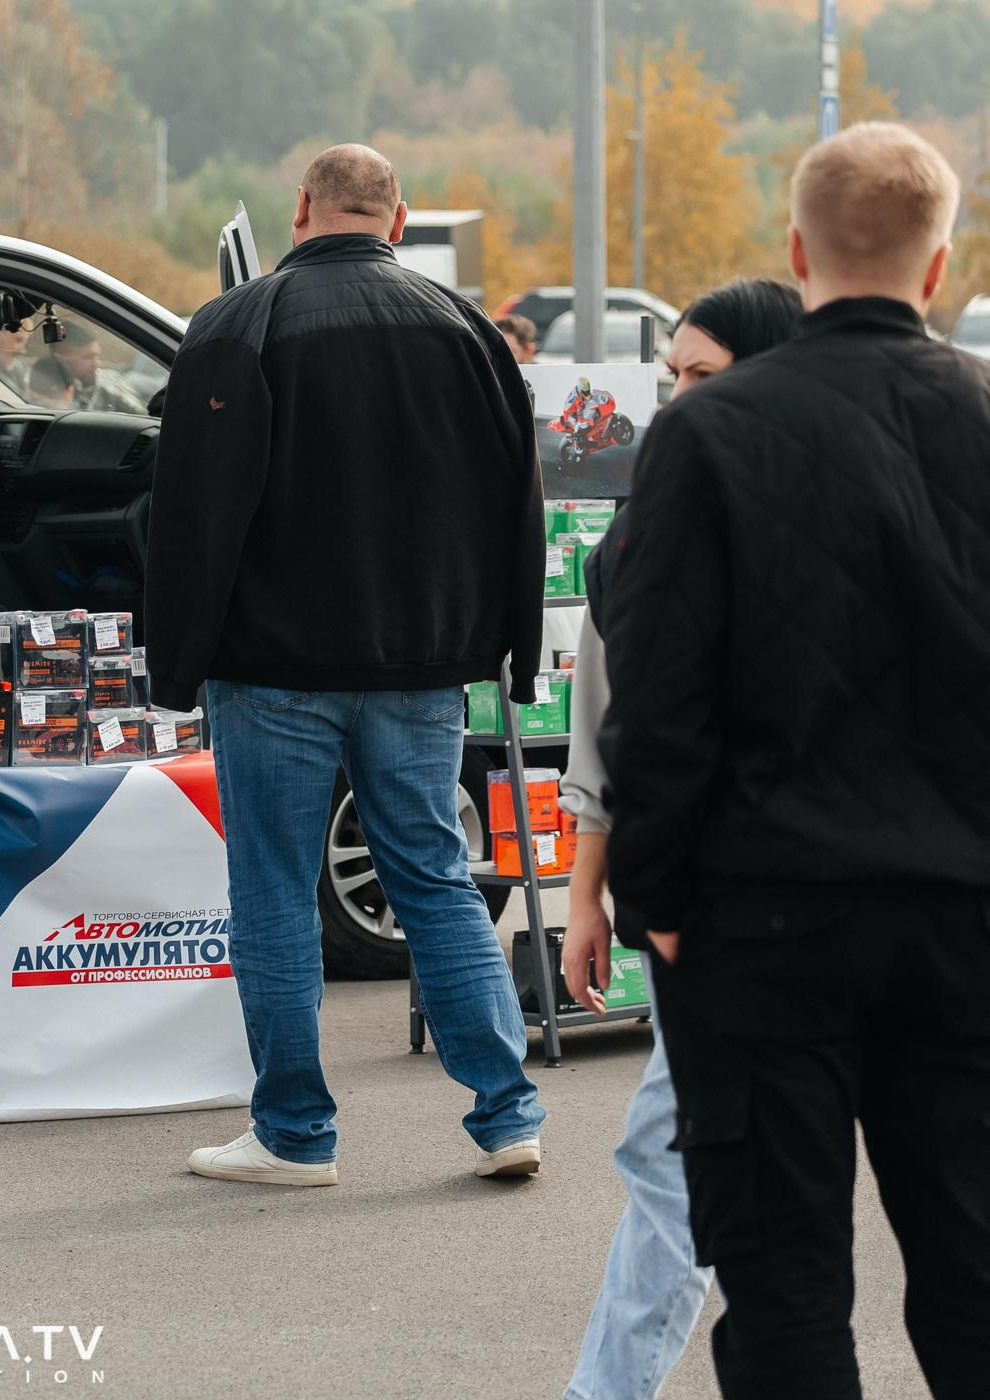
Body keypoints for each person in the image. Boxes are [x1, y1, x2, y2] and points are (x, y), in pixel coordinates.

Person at [604, 122, 990, 1399]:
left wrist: (653, 902)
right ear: (938, 267)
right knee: (974, 1271)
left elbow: (659, 701)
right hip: (965, 917)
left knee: (781, 1291)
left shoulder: (706, 439)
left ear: (795, 252)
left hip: (760, 921)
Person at [147, 143, 547, 1187]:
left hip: (274, 662)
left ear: (299, 210)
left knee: (274, 888)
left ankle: (293, 1133)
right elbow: (517, 496)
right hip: (421, 658)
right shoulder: (467, 331)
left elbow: (193, 511)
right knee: (435, 874)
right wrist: (513, 643)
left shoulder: (238, 322)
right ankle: (507, 1110)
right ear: (399, 220)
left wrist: (174, 664)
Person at [558, 277, 802, 1400]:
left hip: (826, 892)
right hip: (696, 906)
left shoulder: (840, 512)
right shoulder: (642, 527)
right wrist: (582, 896)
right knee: (676, 1152)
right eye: (673, 381)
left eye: (707, 376)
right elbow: (603, 739)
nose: (682, 401)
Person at [53, 333, 150, 413]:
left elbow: (143, 415)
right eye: (87, 357)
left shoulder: (108, 387)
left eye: (96, 356)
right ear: (62, 359)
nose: (96, 363)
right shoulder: (45, 386)